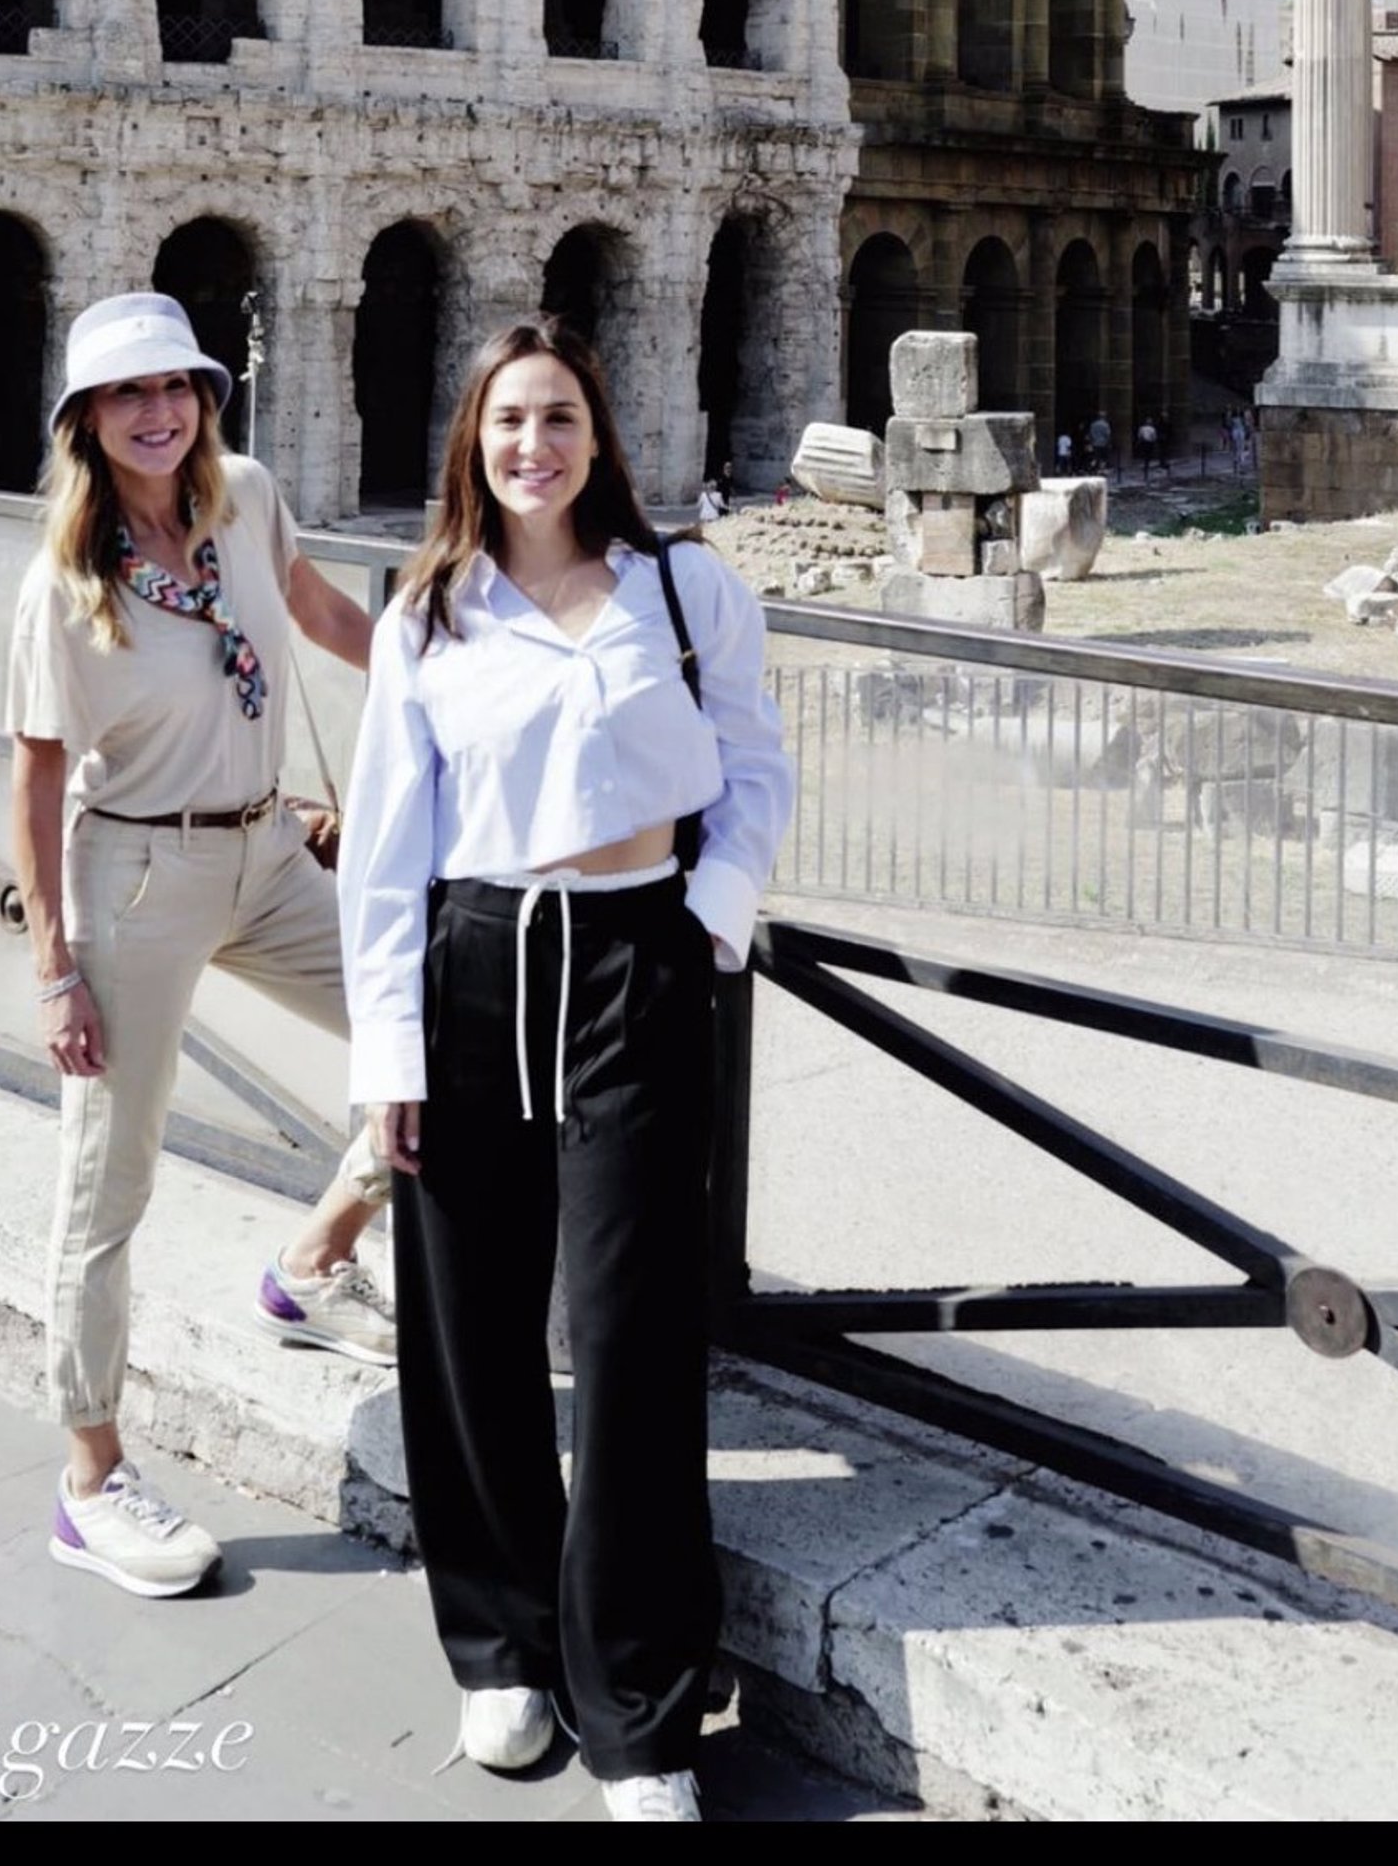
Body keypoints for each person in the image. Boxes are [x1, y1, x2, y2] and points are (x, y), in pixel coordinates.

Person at [339, 315, 795, 1824]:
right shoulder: (429, 613)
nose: (533, 446)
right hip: (479, 959)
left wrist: (711, 920)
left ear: (601, 437)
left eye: (559, 419)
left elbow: (756, 763)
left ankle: (644, 1712)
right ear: (472, 443)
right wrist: (390, 1052)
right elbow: (388, 852)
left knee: (633, 1336)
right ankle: (502, 1646)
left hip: (634, 961)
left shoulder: (685, 588)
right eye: (507, 423)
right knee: (466, 1327)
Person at [9, 290, 396, 1601]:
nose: (159, 412)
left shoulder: (247, 495)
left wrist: (469, 667)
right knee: (105, 1188)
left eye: (175, 386)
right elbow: (33, 779)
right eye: (128, 395)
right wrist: (57, 964)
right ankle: (89, 1476)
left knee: (441, 1033)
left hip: (270, 846)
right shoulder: (65, 580)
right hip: (137, 873)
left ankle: (314, 1262)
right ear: (87, 421)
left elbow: (326, 619)